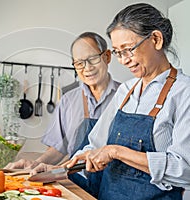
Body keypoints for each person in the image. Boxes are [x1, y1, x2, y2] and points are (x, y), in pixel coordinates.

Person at [32, 3, 190, 199]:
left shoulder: (184, 92)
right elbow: (95, 146)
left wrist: (116, 151)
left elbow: (185, 170)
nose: (123, 60)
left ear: (156, 39)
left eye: (128, 49)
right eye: (118, 52)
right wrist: (57, 169)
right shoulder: (125, 91)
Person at [5, 32, 120, 189]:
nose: (87, 68)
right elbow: (59, 148)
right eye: (79, 63)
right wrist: (35, 164)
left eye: (93, 59)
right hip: (75, 183)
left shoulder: (127, 97)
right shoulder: (68, 100)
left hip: (114, 186)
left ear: (107, 56)